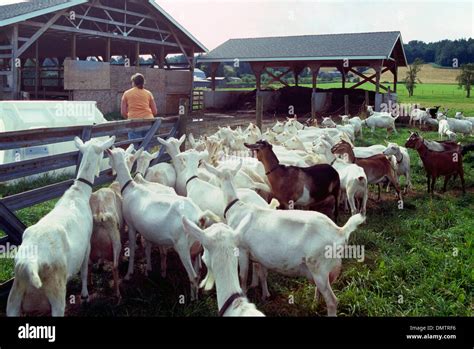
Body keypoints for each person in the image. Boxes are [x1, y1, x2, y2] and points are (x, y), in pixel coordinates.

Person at [121, 73, 158, 148]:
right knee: (146, 145)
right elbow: (155, 111)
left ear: (133, 82)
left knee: (135, 147)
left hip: (134, 122)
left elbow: (123, 112)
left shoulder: (126, 93)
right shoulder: (148, 93)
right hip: (148, 121)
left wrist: (130, 117)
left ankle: (136, 159)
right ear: (143, 82)